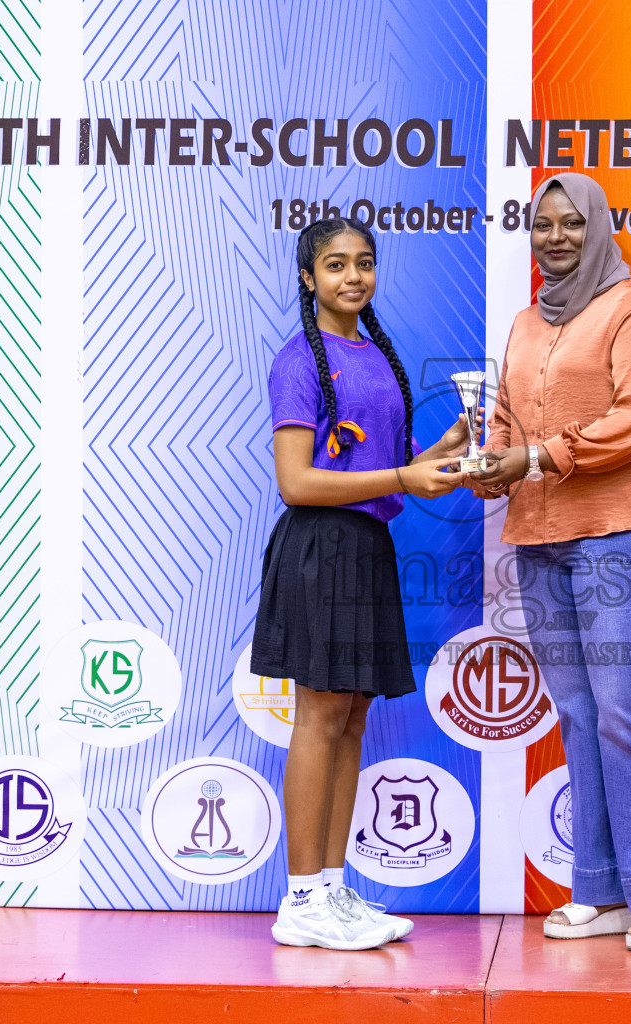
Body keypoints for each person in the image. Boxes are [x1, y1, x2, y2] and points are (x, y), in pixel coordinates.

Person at [471, 173, 631, 951]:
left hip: (625, 533)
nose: (556, 237)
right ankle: (603, 891)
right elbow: (507, 421)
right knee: (579, 715)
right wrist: (488, 462)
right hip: (542, 540)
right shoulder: (524, 322)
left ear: (599, 227)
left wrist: (535, 459)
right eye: (543, 225)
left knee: (625, 709)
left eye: (573, 223)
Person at [254, 216, 473, 950]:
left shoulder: (375, 355)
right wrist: (403, 476)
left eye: (366, 263)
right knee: (318, 719)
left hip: (366, 545)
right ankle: (299, 899)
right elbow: (297, 481)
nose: (354, 277)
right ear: (309, 278)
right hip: (321, 548)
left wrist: (435, 456)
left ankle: (333, 887)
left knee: (351, 720)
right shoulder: (299, 361)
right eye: (337, 265)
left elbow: (383, 464)